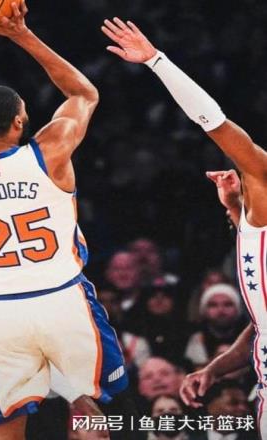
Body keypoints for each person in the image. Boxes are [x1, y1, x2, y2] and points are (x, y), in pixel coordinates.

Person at [0, 4, 128, 439]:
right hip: (62, 298)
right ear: (20, 120)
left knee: (7, 421)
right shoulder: (50, 153)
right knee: (86, 406)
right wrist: (20, 33)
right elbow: (83, 94)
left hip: (0, 311)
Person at [101, 17, 267, 435]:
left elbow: (213, 121)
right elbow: (260, 325)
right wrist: (215, 368)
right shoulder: (250, 216)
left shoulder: (262, 176)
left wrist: (157, 61)